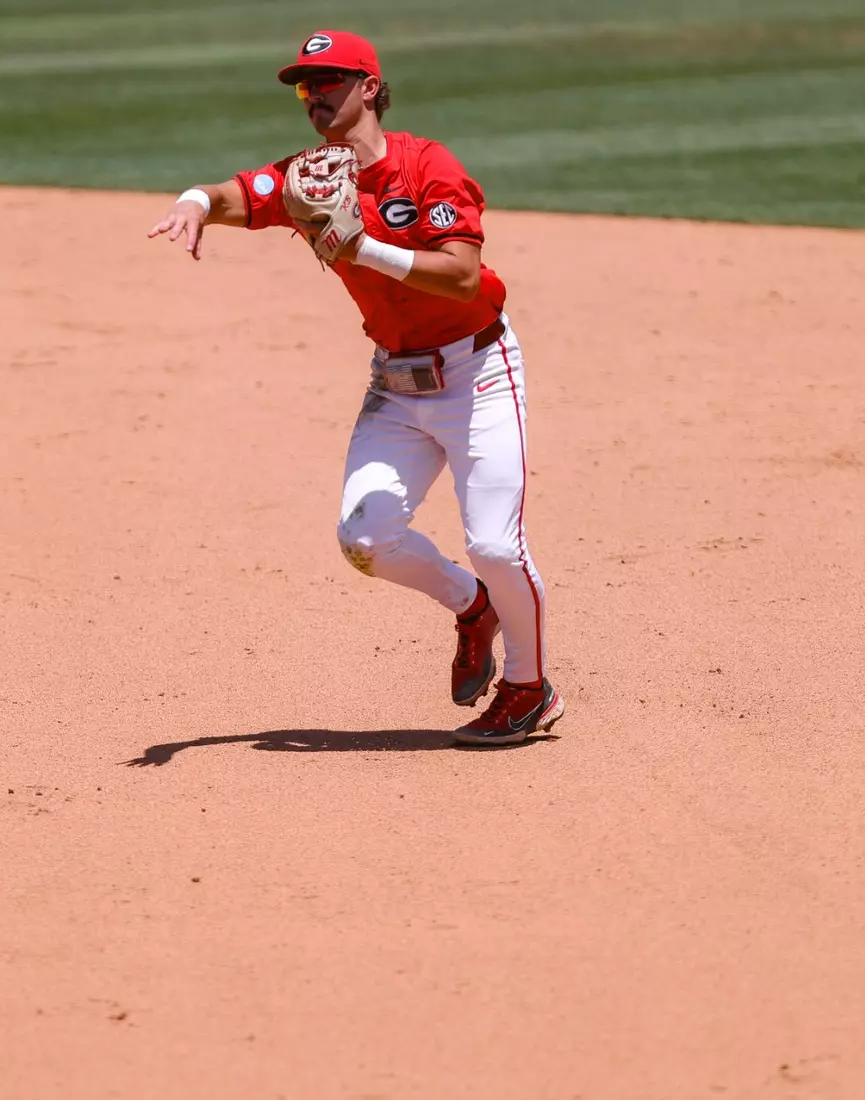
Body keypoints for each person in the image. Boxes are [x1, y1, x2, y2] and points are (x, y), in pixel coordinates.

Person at [146, 30, 562, 745]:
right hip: (397, 385)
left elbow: (462, 274)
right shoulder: (310, 178)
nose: (315, 96)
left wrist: (362, 246)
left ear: (369, 87)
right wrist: (192, 203)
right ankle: (473, 608)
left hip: (479, 376)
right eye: (305, 87)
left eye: (329, 80)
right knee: (365, 538)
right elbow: (237, 194)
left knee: (495, 543)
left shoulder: (428, 165)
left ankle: (529, 690)